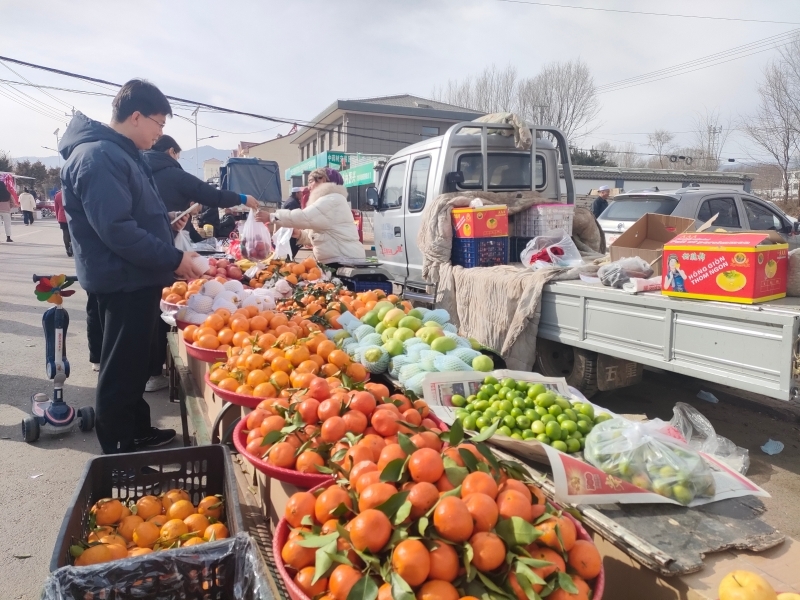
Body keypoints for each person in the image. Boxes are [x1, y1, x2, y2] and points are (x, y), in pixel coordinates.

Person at [59, 79, 207, 454]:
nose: (160, 134)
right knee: (121, 370)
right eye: (158, 124)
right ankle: (120, 451)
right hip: (122, 278)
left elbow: (129, 213)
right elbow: (117, 230)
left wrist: (166, 220)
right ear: (137, 116)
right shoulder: (98, 156)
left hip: (132, 275)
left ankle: (137, 429)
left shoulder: (120, 153)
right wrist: (174, 258)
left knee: (134, 363)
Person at [144, 135, 259, 244]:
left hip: (142, 241)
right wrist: (242, 198)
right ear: (171, 151)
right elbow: (212, 196)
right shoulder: (176, 176)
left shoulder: (139, 171)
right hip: (167, 243)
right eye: (177, 157)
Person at [257, 167, 365, 264]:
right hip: (341, 259)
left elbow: (304, 217)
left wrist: (272, 216)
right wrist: (299, 234)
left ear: (322, 179)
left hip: (344, 260)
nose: (308, 187)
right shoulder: (332, 200)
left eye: (310, 181)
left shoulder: (332, 199)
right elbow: (319, 235)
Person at [283, 187, 304, 256]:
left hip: (291, 228)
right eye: (300, 193)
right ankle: (289, 260)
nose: (302, 194)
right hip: (291, 229)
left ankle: (290, 259)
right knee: (293, 245)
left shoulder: (293, 201)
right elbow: (292, 217)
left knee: (293, 245)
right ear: (296, 193)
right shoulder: (292, 203)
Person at [53, 189, 71, 256]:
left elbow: (56, 208)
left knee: (65, 233)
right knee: (73, 234)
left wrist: (58, 218)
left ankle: (68, 250)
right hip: (72, 217)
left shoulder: (58, 195)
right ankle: (73, 248)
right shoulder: (71, 193)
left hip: (62, 217)